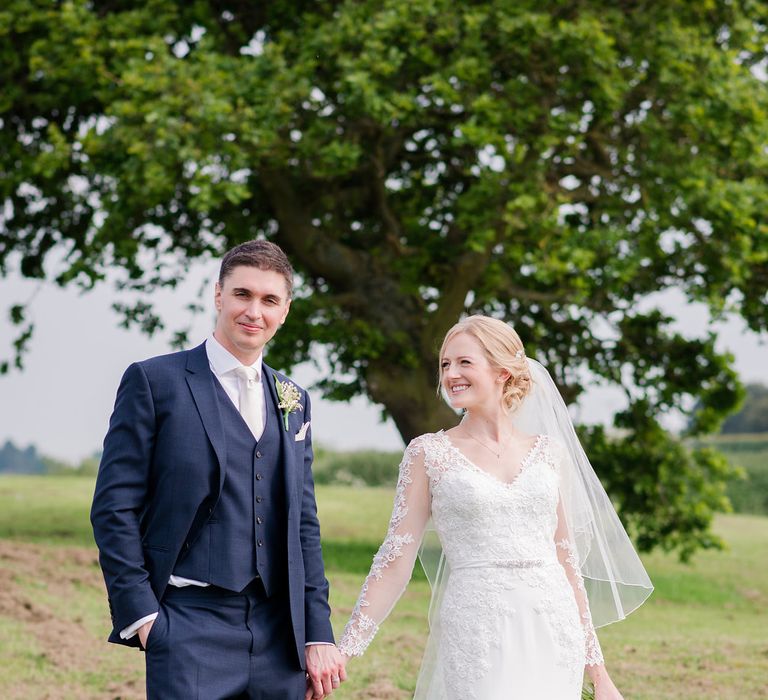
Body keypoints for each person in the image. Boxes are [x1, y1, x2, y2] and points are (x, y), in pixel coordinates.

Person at [338, 315, 653, 699]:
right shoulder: (428, 453)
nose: (451, 373)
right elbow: (395, 560)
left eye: (464, 362)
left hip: (553, 624)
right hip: (477, 626)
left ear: (502, 372)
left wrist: (599, 675)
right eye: (445, 364)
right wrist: (344, 651)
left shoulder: (549, 454)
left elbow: (566, 562)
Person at [91, 240, 347, 700]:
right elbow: (113, 508)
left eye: (269, 300)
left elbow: (302, 524)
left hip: (278, 635)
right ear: (218, 296)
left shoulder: (294, 399)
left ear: (285, 310)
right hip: (187, 625)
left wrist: (316, 633)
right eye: (242, 294)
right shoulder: (155, 382)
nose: (254, 311)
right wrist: (146, 619)